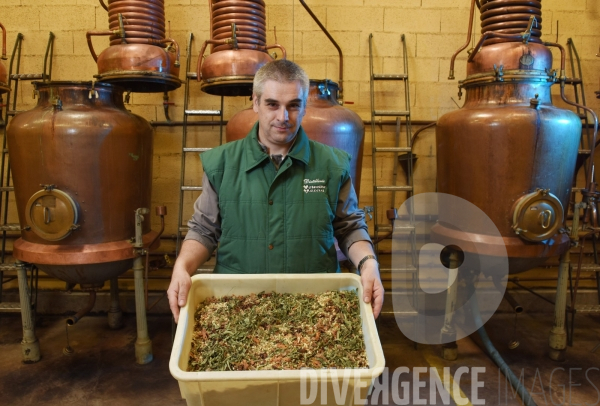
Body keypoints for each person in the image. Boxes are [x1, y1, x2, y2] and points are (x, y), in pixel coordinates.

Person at [167, 59, 384, 322]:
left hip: (315, 308)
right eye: (272, 104)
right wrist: (182, 266)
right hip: (238, 307)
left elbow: (350, 227)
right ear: (255, 102)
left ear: (304, 107)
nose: (283, 117)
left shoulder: (331, 165)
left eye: (294, 105)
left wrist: (368, 263)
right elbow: (204, 229)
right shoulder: (222, 164)